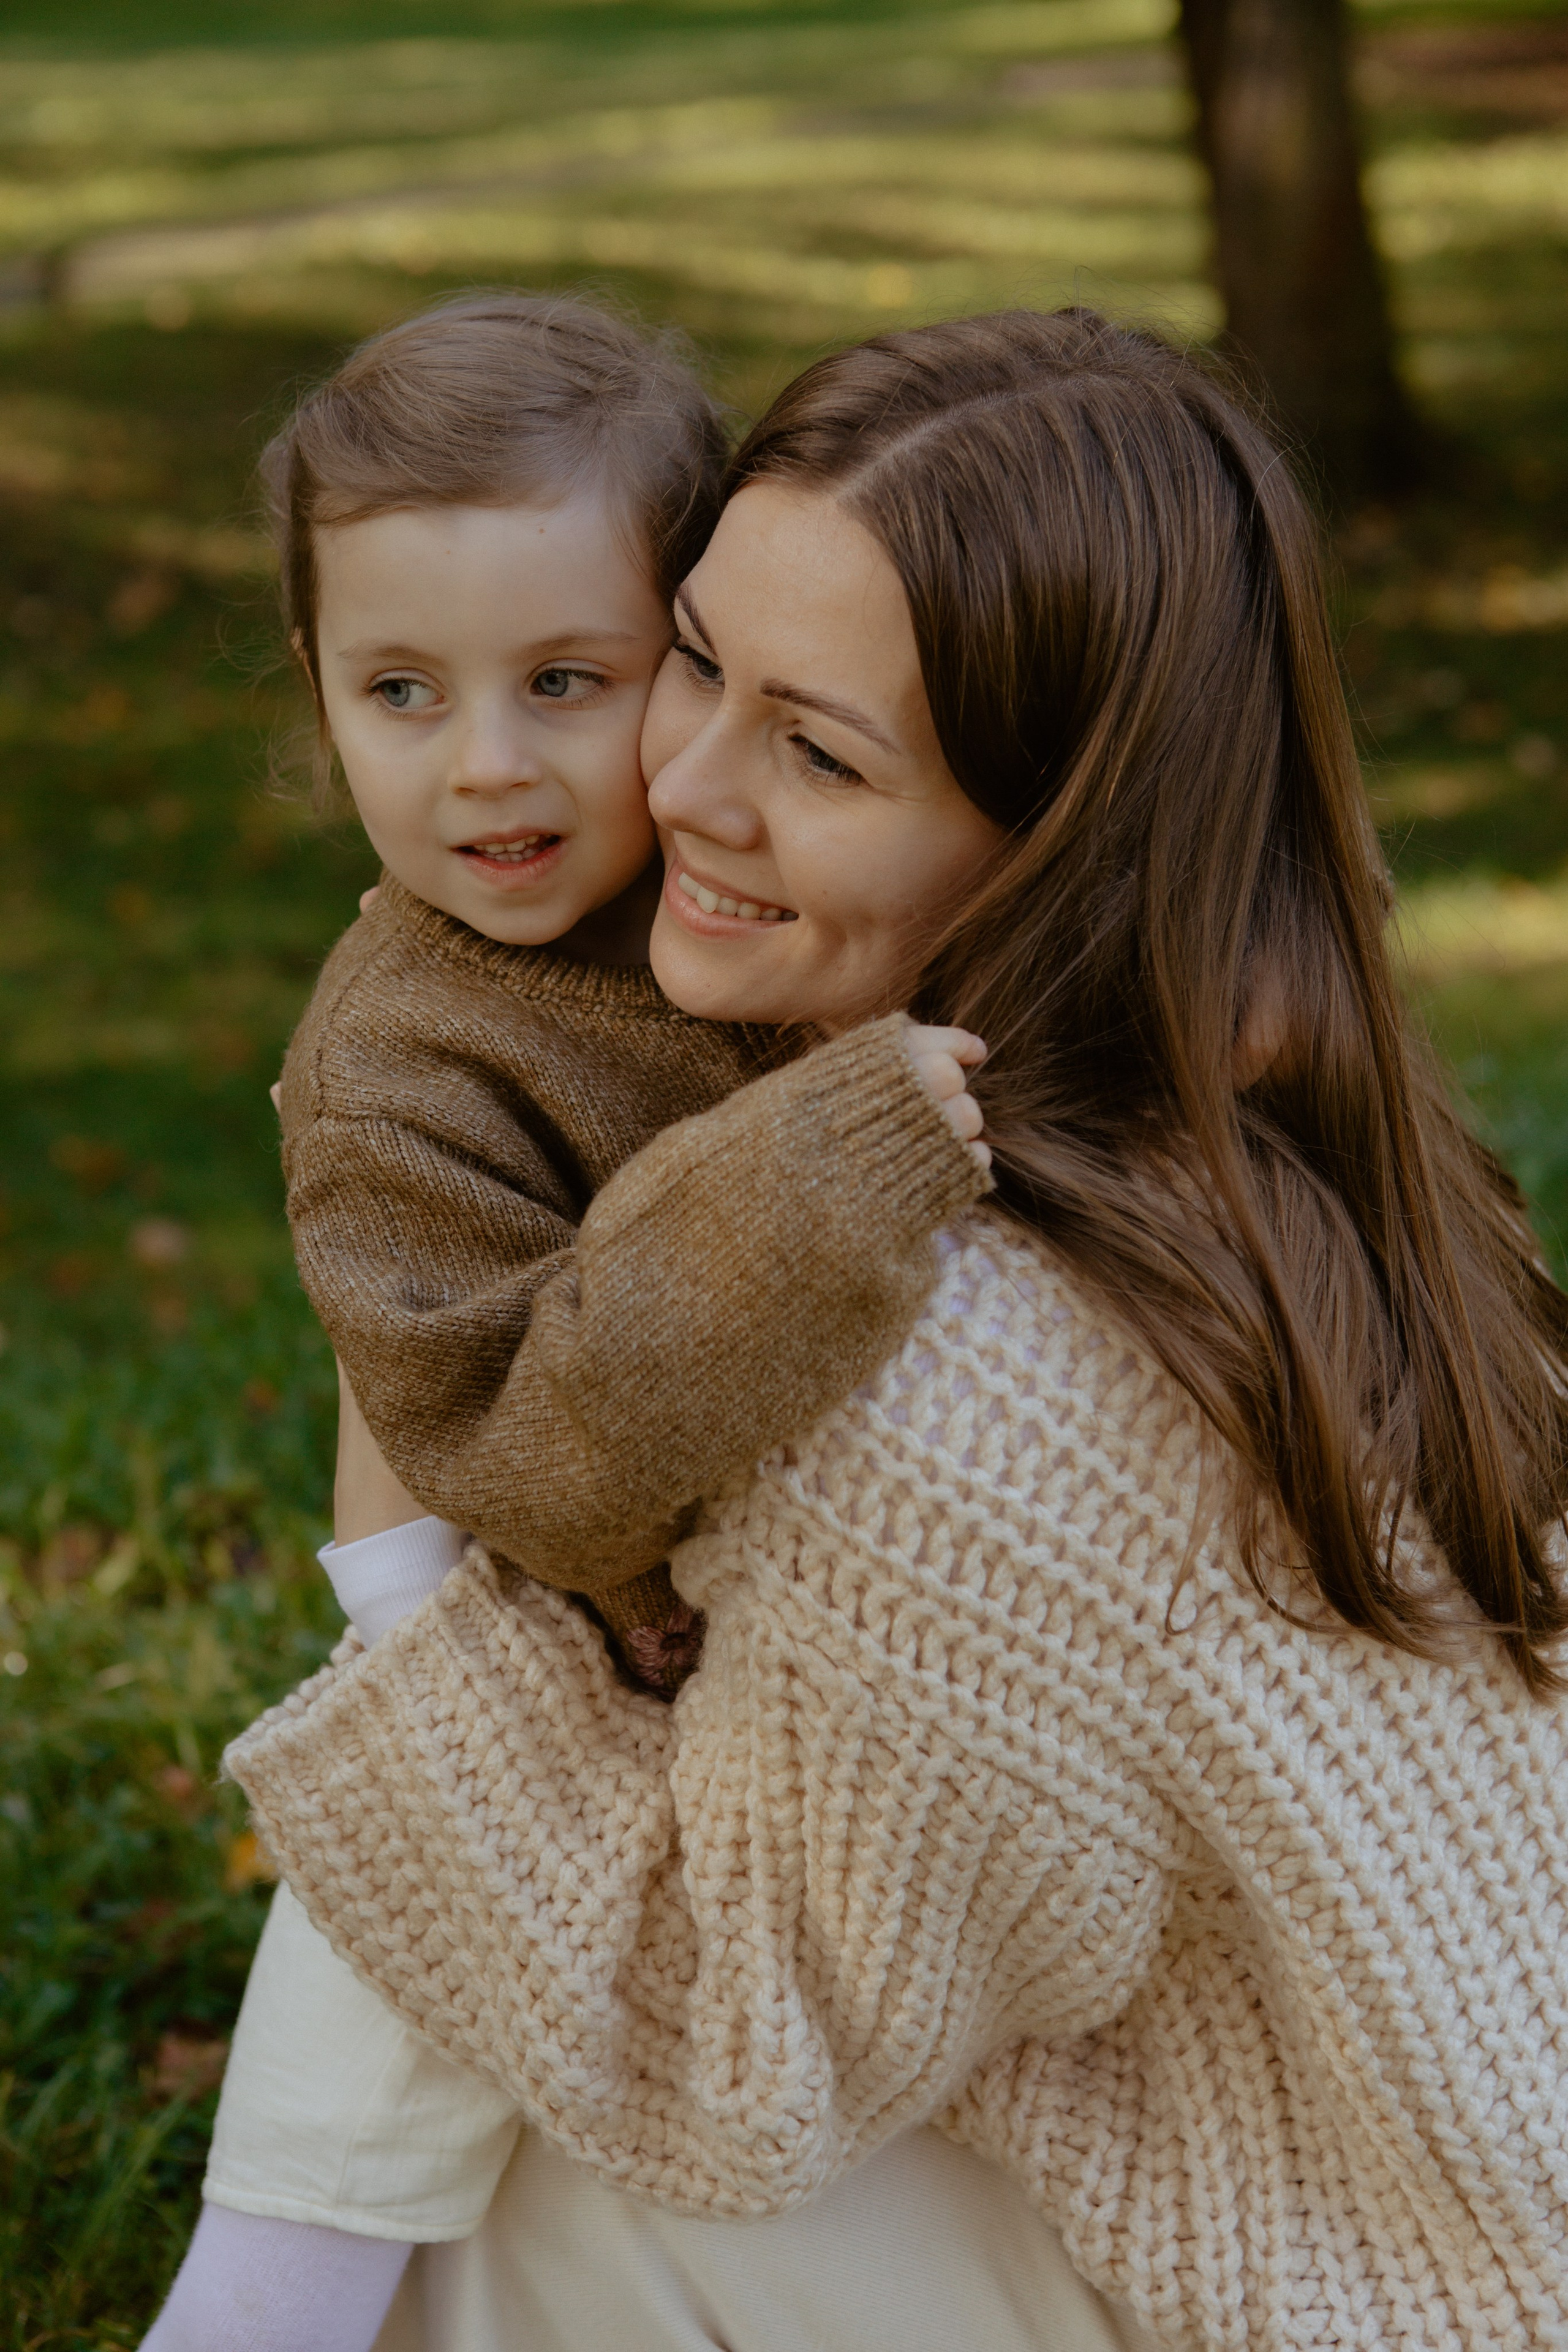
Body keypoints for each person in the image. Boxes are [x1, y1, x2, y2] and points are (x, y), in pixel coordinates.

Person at [239, 306, 1568, 2348]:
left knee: (505, 2097)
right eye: (693, 654)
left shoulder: (941, 1377)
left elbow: (723, 2070)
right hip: (1439, 2186)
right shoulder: (1288, 1117)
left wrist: (404, 1590)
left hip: (1349, 2293)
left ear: (1054, 836)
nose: (671, 780)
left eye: (822, 749)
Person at [140, 291, 997, 2351]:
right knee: (414, 1920)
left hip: (786, 1612)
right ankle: (264, 2303)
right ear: (318, 693)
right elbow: (515, 1443)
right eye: (403, 692)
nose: (489, 767)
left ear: (689, 664)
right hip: (500, 1591)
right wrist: (823, 1179)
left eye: (569, 680)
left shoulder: (737, 880)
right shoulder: (401, 1062)